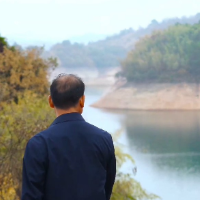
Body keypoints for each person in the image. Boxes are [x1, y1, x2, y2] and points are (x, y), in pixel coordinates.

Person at [21, 74, 116, 200]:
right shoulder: (103, 139)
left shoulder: (38, 144)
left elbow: (31, 196)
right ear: (82, 100)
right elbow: (107, 188)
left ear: (51, 101)